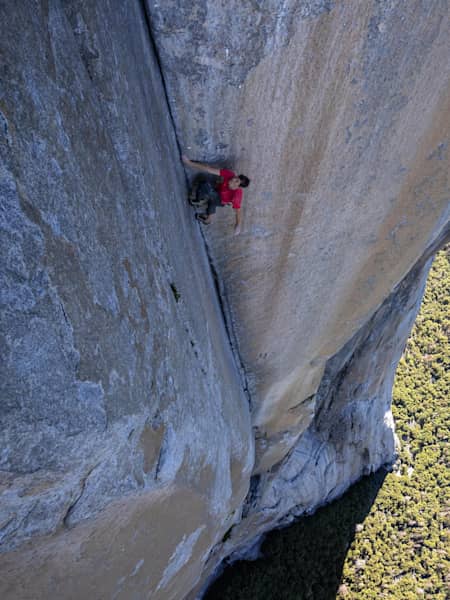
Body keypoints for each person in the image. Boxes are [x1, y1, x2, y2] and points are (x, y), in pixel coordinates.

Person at [182, 155, 250, 235]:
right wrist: (189, 163)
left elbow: (238, 211)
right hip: (218, 191)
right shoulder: (230, 174)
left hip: (220, 200)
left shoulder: (237, 194)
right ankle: (208, 219)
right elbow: (209, 170)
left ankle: (199, 201)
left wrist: (238, 225)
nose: (233, 179)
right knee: (207, 179)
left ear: (238, 187)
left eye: (237, 181)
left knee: (207, 188)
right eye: (236, 178)